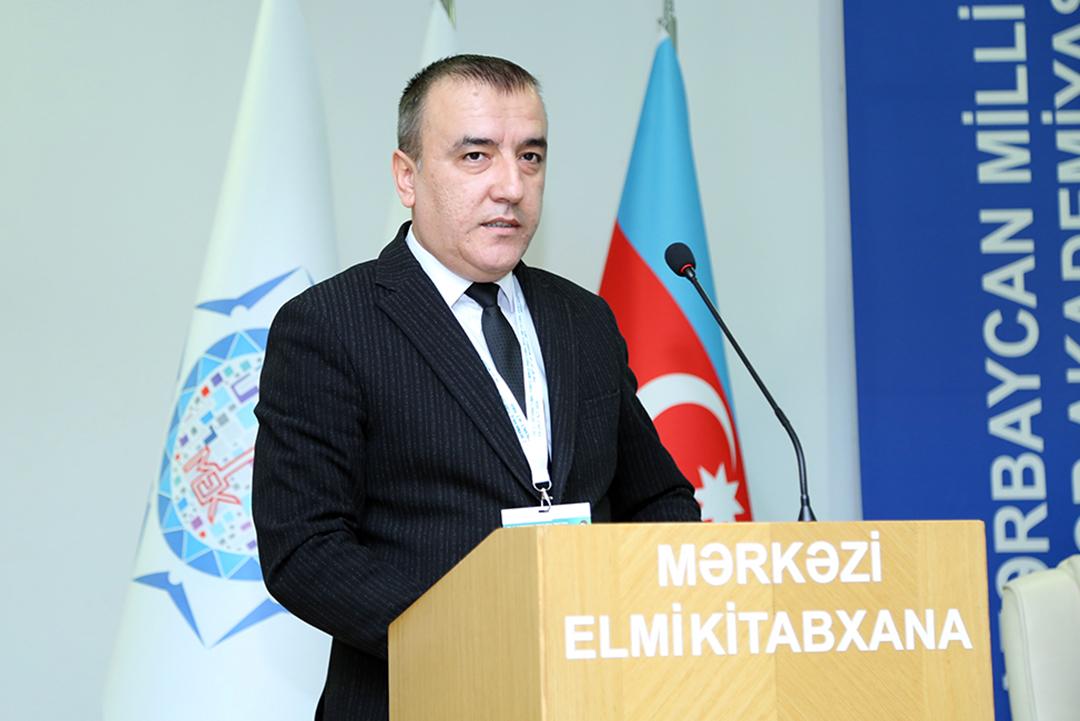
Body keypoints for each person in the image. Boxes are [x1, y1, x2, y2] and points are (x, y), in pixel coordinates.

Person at [252, 54, 700, 721]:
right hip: (417, 694)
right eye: (475, 156)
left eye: (530, 157)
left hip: (589, 694)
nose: (511, 186)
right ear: (407, 176)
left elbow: (657, 497)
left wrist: (630, 618)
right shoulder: (330, 325)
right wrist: (475, 634)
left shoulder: (584, 319)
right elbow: (305, 549)